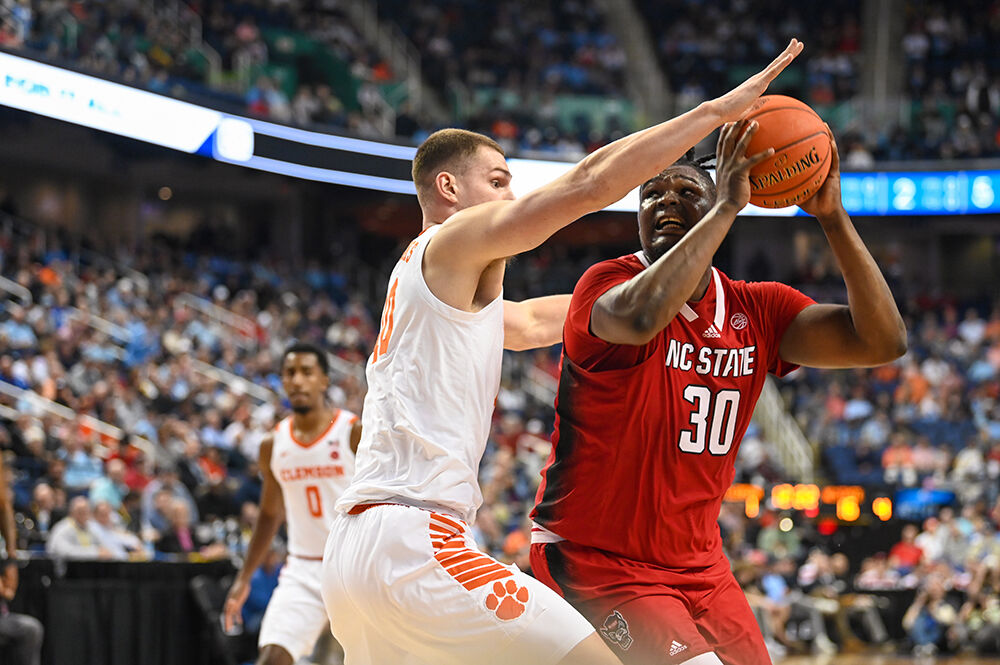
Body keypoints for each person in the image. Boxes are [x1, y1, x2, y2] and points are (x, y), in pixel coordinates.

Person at [321, 40, 804, 665]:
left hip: (355, 553)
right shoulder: (450, 240)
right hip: (416, 539)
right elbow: (590, 182)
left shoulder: (441, 295)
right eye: (497, 182)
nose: (508, 195)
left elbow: (546, 318)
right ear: (448, 188)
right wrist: (712, 114)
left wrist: (668, 292)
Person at [529, 119, 908, 665]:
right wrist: (726, 207)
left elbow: (883, 340)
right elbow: (642, 318)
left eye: (687, 191)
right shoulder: (604, 283)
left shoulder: (758, 308)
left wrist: (832, 218)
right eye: (652, 192)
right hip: (596, 559)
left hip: (699, 568)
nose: (665, 200)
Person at [223, 343, 361, 665]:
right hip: (304, 568)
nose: (297, 380)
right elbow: (270, 514)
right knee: (272, 658)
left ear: (325, 381)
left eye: (307, 372)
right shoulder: (273, 444)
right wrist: (244, 578)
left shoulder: (354, 432)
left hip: (356, 565)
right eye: (290, 373)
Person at [0, 559, 43, 665]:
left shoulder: (5, 560)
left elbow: (9, 592)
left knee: (32, 628)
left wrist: (11, 550)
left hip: (2, 618)